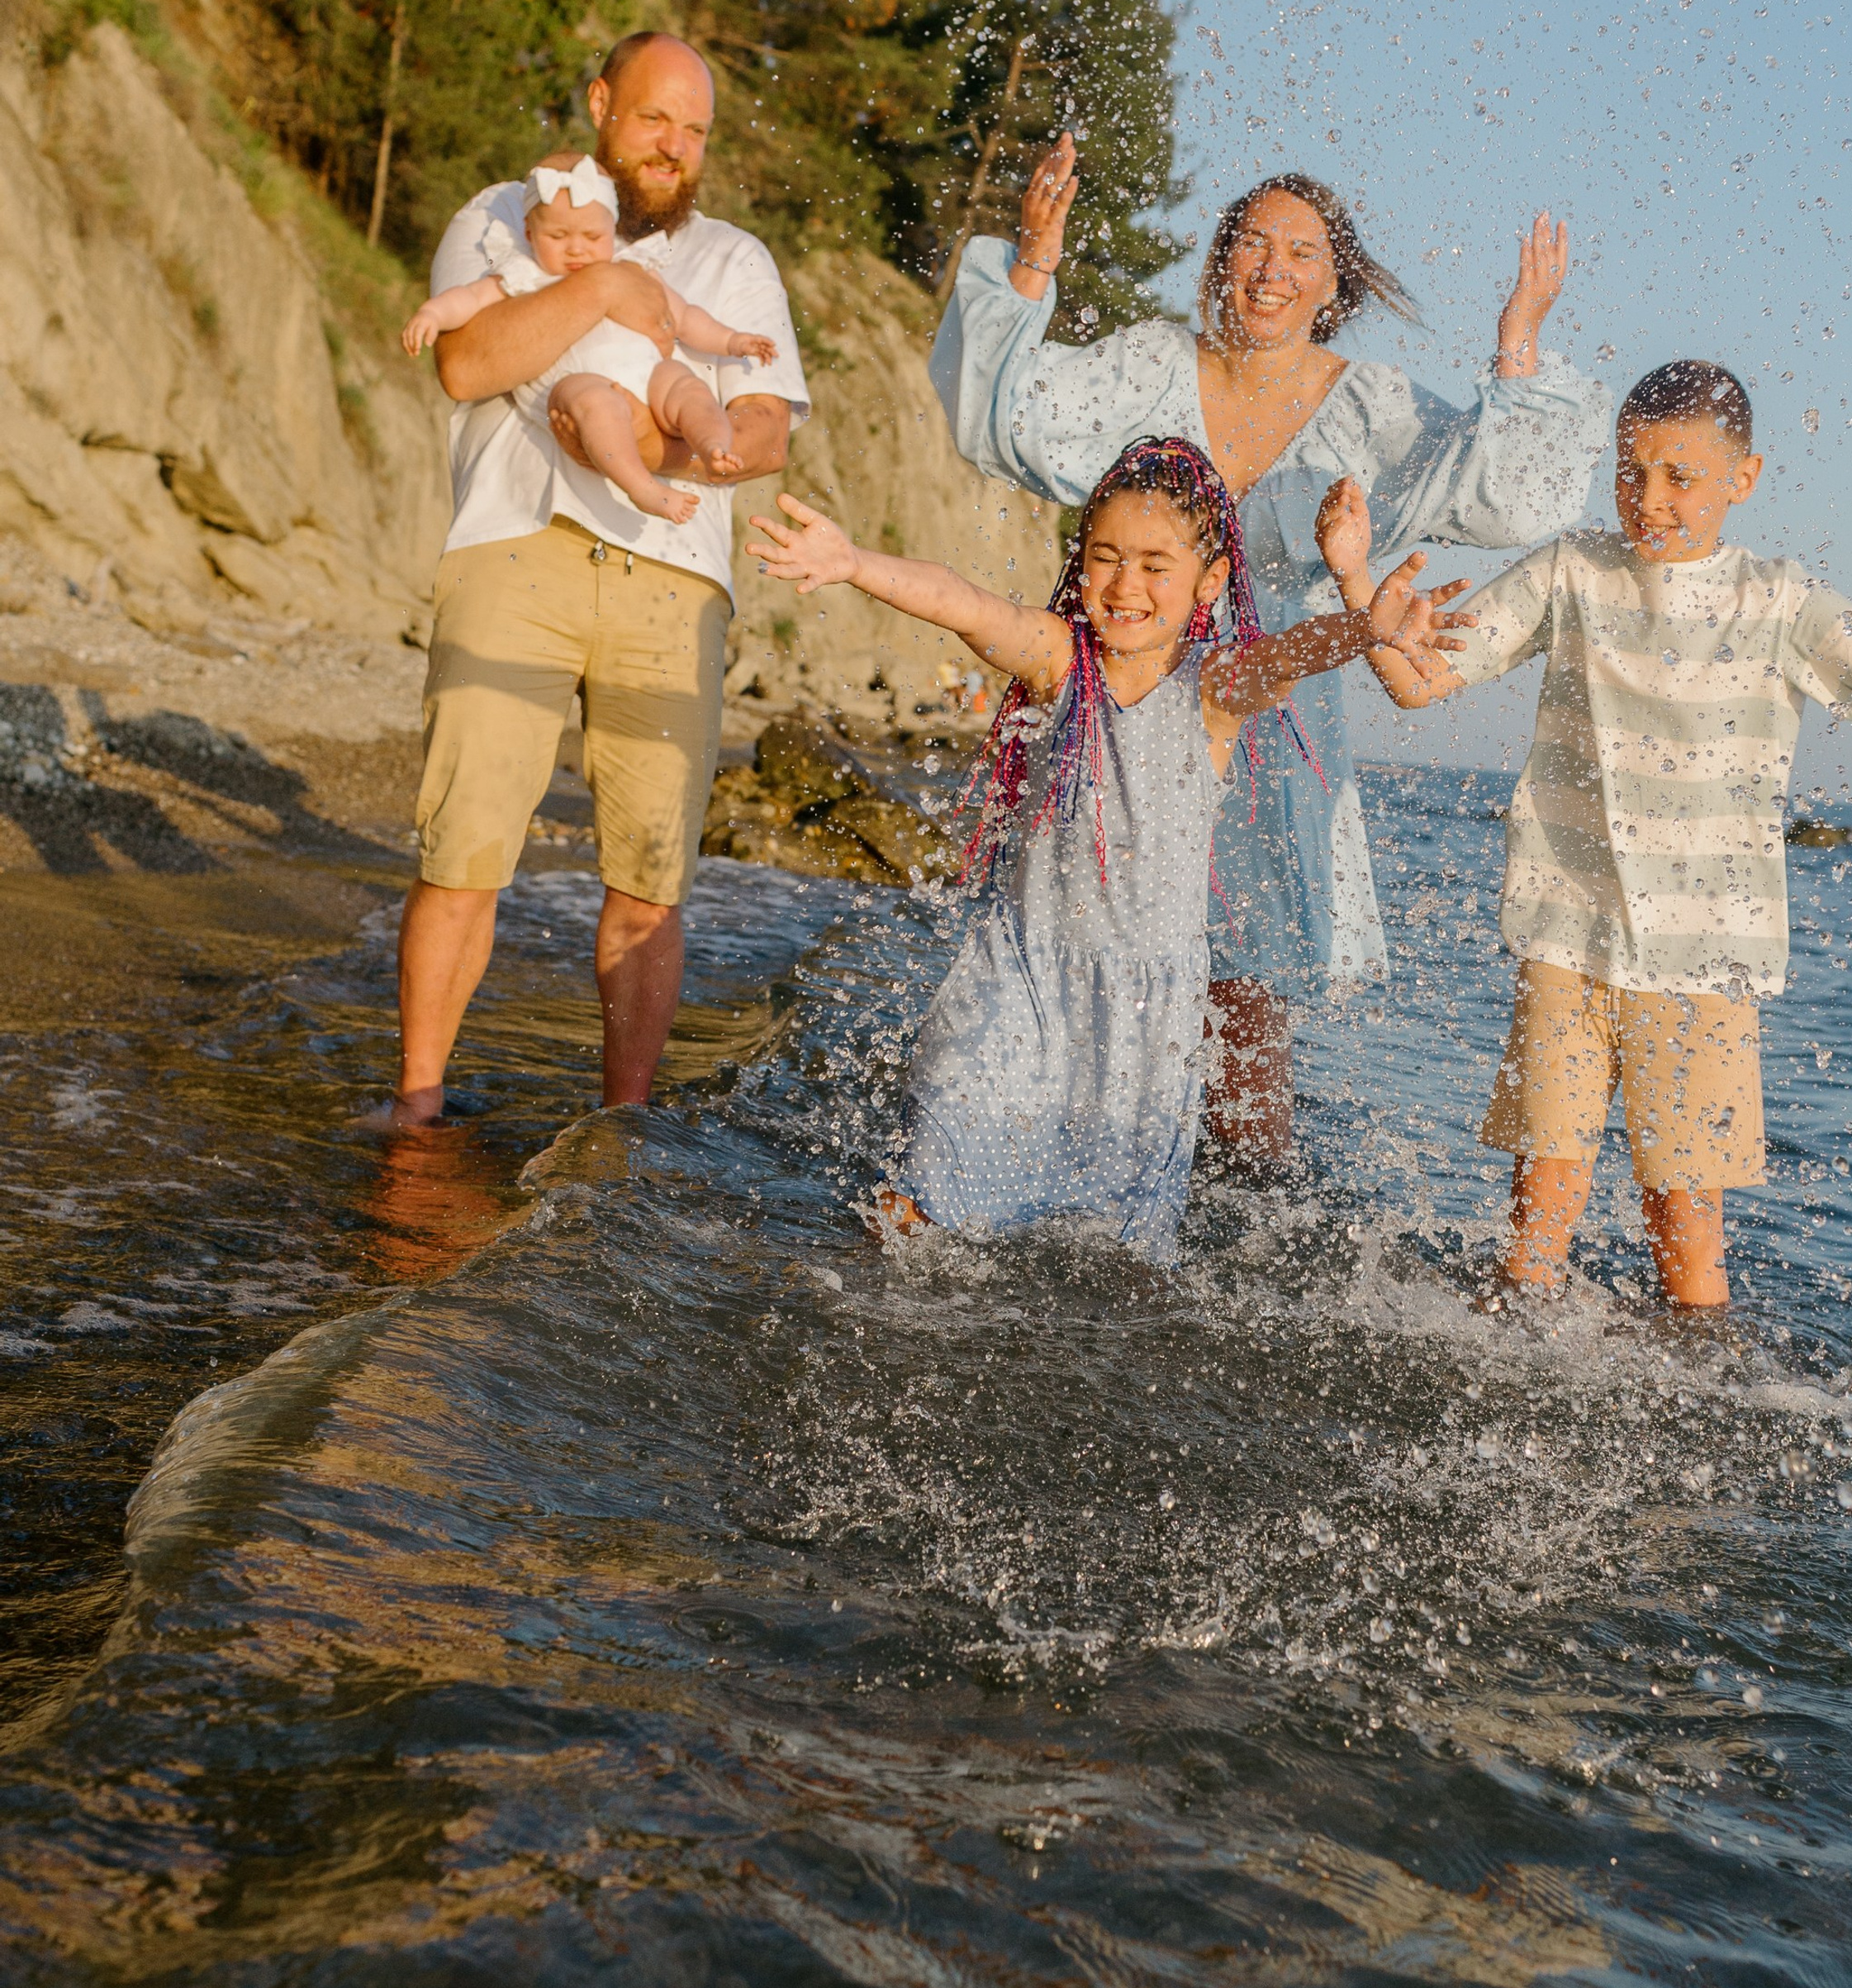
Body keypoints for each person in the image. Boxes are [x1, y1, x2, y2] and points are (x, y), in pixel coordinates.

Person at [1342, 358, 1852, 1306]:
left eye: (1680, 476)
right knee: (1538, 1217)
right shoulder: (1571, 570)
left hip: (1703, 962)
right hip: (1565, 939)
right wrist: (1358, 594)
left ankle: (1698, 1381)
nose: (1648, 499)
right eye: (1630, 472)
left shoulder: (1782, 604)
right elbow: (1418, 682)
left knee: (1687, 1229)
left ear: (1741, 480)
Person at [928, 134, 1611, 1170]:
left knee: (1242, 1004)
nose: (1271, 268)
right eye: (1252, 243)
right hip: (1127, 706)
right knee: (1085, 955)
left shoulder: (1370, 407)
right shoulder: (1155, 363)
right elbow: (1004, 420)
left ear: (1333, 284)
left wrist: (1517, 340)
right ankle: (1051, 1188)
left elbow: (1505, 488)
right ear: (1220, 261)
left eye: (1299, 252)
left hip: (1268, 728)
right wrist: (1032, 260)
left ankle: (1245, 1229)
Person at [743, 438, 1446, 1256]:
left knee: (1109, 1262)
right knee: (918, 1207)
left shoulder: (1215, 690)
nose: (1125, 585)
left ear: (1208, 581)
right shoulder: (1058, 661)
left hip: (1144, 1019)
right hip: (1020, 980)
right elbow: (965, 604)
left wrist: (1364, 627)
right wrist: (850, 561)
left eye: (1155, 565)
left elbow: (1287, 658)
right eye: (1105, 557)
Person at [385, 30, 810, 1127]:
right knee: (464, 851)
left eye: (696, 130)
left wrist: (641, 452)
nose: (676, 145)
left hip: (675, 584)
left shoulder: (734, 260)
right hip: (513, 551)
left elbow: (764, 432)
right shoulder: (503, 216)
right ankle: (418, 1109)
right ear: (600, 103)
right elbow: (468, 362)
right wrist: (609, 283)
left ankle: (620, 1128)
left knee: (650, 881)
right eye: (656, 116)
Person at [402, 152, 779, 522]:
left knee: (688, 388)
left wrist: (733, 342)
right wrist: (432, 314)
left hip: (648, 372)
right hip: (576, 382)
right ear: (530, 235)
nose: (577, 248)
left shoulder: (632, 265)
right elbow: (469, 299)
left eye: (592, 235)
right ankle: (642, 486)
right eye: (558, 235)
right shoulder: (523, 273)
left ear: (612, 229)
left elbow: (684, 318)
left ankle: (713, 445)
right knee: (598, 405)